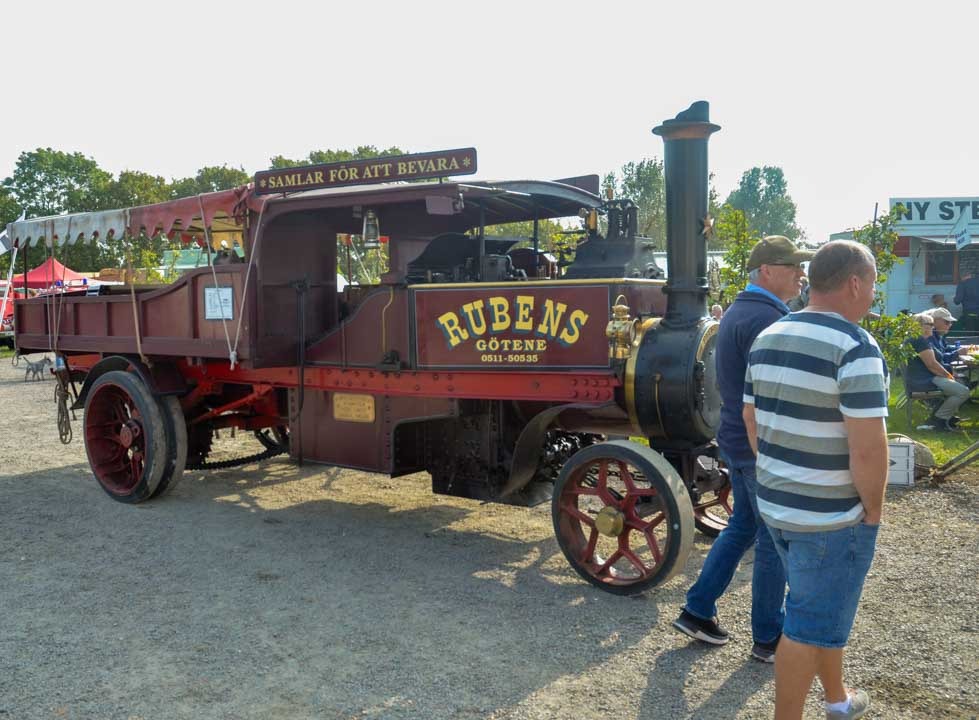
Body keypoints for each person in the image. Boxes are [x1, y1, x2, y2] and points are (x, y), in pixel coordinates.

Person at [743, 240, 888, 720]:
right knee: (807, 625)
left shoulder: (769, 336)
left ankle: (836, 699)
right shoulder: (855, 346)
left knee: (817, 608)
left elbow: (750, 420)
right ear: (854, 283)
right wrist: (873, 510)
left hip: (777, 505)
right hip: (830, 518)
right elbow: (868, 448)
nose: (873, 293)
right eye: (873, 283)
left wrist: (783, 475)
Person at [673, 235, 812, 663]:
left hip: (736, 438)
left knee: (743, 527)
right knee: (770, 539)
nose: (801, 274)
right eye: (794, 266)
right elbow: (778, 393)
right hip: (758, 445)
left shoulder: (740, 310)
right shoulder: (769, 318)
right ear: (767, 271)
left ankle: (697, 610)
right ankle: (768, 637)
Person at [906, 312, 969, 431]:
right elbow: (932, 365)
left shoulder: (921, 340)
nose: (933, 326)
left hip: (925, 378)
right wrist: (949, 376)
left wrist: (949, 375)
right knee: (963, 391)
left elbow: (935, 362)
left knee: (960, 385)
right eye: (930, 324)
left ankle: (945, 418)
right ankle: (938, 420)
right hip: (924, 380)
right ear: (919, 326)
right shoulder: (920, 341)